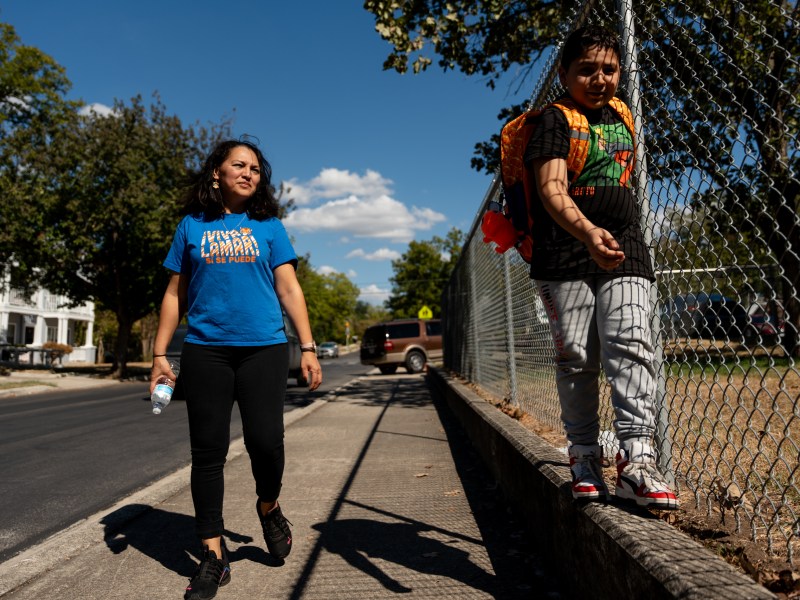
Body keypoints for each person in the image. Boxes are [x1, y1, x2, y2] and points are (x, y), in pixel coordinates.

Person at [150, 138, 322, 600]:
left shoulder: (269, 226)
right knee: (208, 452)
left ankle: (269, 506)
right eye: (238, 165)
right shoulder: (190, 227)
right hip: (206, 350)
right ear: (216, 173)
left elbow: (289, 290)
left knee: (266, 442)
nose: (248, 173)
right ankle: (214, 555)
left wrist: (307, 346)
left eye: (256, 168)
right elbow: (174, 294)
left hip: (264, 349)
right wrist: (159, 354)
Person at [523, 26, 679, 509]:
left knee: (631, 344)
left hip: (626, 245)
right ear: (566, 73)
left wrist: (608, 235)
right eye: (586, 69)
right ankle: (585, 457)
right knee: (577, 355)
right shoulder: (554, 120)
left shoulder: (624, 116)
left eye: (608, 69)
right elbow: (552, 190)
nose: (599, 78)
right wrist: (589, 233)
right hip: (566, 248)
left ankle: (638, 460)